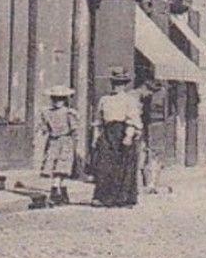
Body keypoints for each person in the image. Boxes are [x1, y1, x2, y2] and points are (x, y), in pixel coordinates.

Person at [91, 67, 143, 207]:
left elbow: (133, 119)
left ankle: (123, 198)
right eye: (115, 83)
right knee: (105, 164)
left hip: (123, 132)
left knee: (123, 165)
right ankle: (103, 197)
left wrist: (128, 136)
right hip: (107, 133)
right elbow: (98, 120)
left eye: (120, 84)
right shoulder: (105, 99)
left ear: (124, 85)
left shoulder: (129, 100)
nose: (117, 86)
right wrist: (95, 138)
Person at [36, 85, 80, 206]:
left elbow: (74, 129)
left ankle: (60, 192)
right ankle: (57, 191)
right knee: (55, 166)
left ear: (65, 100)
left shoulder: (69, 113)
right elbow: (44, 127)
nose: (57, 102)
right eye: (54, 99)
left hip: (65, 141)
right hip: (53, 141)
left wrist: (75, 142)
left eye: (60, 99)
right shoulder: (47, 113)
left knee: (62, 167)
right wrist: (40, 133)